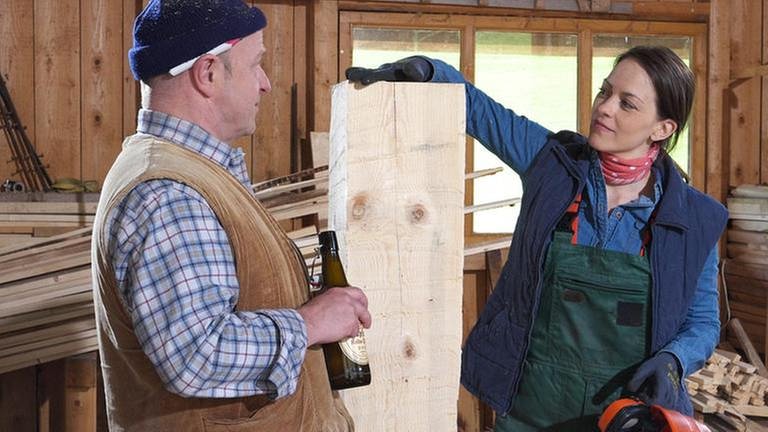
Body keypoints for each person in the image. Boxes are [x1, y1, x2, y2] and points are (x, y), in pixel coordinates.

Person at [346, 46, 727, 431]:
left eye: (627, 104)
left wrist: (674, 360)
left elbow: (703, 322)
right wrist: (428, 72)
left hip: (625, 417)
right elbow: (482, 112)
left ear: (663, 128)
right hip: (528, 408)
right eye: (605, 91)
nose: (605, 108)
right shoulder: (554, 166)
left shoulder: (695, 219)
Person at [91, 1, 371, 431]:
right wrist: (311, 322)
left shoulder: (193, 175)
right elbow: (195, 355)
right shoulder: (168, 192)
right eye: (256, 64)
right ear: (208, 74)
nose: (266, 83)